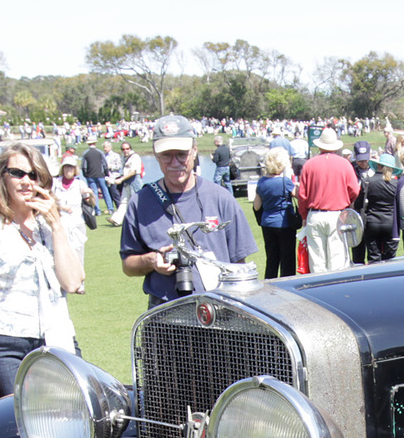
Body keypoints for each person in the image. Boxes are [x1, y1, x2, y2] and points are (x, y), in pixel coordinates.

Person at [0, 142, 83, 405]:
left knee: (72, 420)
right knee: (21, 427)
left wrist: (57, 225)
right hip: (9, 346)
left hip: (57, 339)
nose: (26, 181)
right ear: (2, 178)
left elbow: (72, 282)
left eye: (34, 175)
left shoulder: (56, 227)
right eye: (17, 173)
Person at [120, 115, 256, 307]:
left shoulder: (221, 197)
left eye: (182, 154)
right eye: (167, 155)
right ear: (156, 154)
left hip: (220, 312)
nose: (175, 163)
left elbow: (239, 264)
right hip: (166, 315)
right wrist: (151, 261)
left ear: (194, 150)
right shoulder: (139, 202)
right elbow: (128, 265)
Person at [296, 127, 360, 273]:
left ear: (320, 145)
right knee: (337, 262)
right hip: (337, 214)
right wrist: (346, 201)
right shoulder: (344, 164)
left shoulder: (309, 165)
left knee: (317, 263)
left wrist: (304, 216)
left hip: (315, 214)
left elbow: (303, 195)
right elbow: (355, 190)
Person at [250, 146, 298, 278]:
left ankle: (269, 282)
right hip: (284, 223)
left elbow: (257, 205)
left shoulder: (262, 182)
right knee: (287, 259)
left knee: (272, 258)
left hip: (267, 223)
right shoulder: (285, 182)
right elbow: (298, 195)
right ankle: (287, 283)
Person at [53, 156, 96, 284]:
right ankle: (62, 281)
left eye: (71, 167)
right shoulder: (55, 183)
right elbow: (49, 201)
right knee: (61, 253)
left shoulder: (79, 184)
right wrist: (61, 207)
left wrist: (91, 193)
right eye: (66, 167)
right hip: (60, 223)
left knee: (78, 254)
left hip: (77, 223)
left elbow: (91, 203)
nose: (68, 170)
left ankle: (79, 283)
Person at [360, 152, 400, 262]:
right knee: (390, 259)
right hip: (391, 224)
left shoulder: (368, 181)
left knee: (373, 257)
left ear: (378, 166)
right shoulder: (396, 184)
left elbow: (359, 204)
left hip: (372, 222)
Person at [112, 141, 142, 222]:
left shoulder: (135, 157)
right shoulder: (124, 158)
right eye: (123, 149)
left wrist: (121, 179)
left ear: (130, 149)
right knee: (124, 201)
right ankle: (116, 219)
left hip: (134, 181)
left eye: (127, 149)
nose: (125, 150)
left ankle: (138, 219)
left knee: (136, 201)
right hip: (126, 181)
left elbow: (133, 172)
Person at [82, 138, 112, 212]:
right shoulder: (100, 152)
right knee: (105, 192)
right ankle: (110, 208)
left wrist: (85, 175)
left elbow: (84, 166)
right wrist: (106, 174)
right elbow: (105, 164)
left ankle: (97, 210)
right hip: (101, 175)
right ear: (95, 143)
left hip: (90, 175)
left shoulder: (85, 153)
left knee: (94, 193)